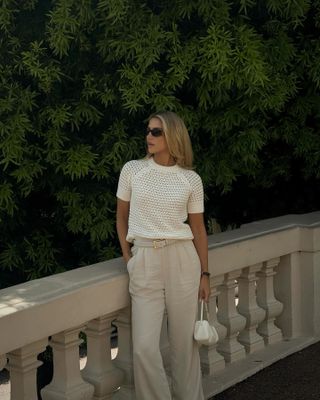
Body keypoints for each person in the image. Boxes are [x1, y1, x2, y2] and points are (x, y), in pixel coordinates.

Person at [116, 111, 210, 400]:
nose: (149, 137)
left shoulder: (190, 180)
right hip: (144, 258)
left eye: (156, 132)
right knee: (144, 347)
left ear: (173, 136)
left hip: (183, 260)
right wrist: (129, 259)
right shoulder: (132, 170)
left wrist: (205, 273)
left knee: (184, 346)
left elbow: (198, 228)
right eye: (148, 131)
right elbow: (121, 218)